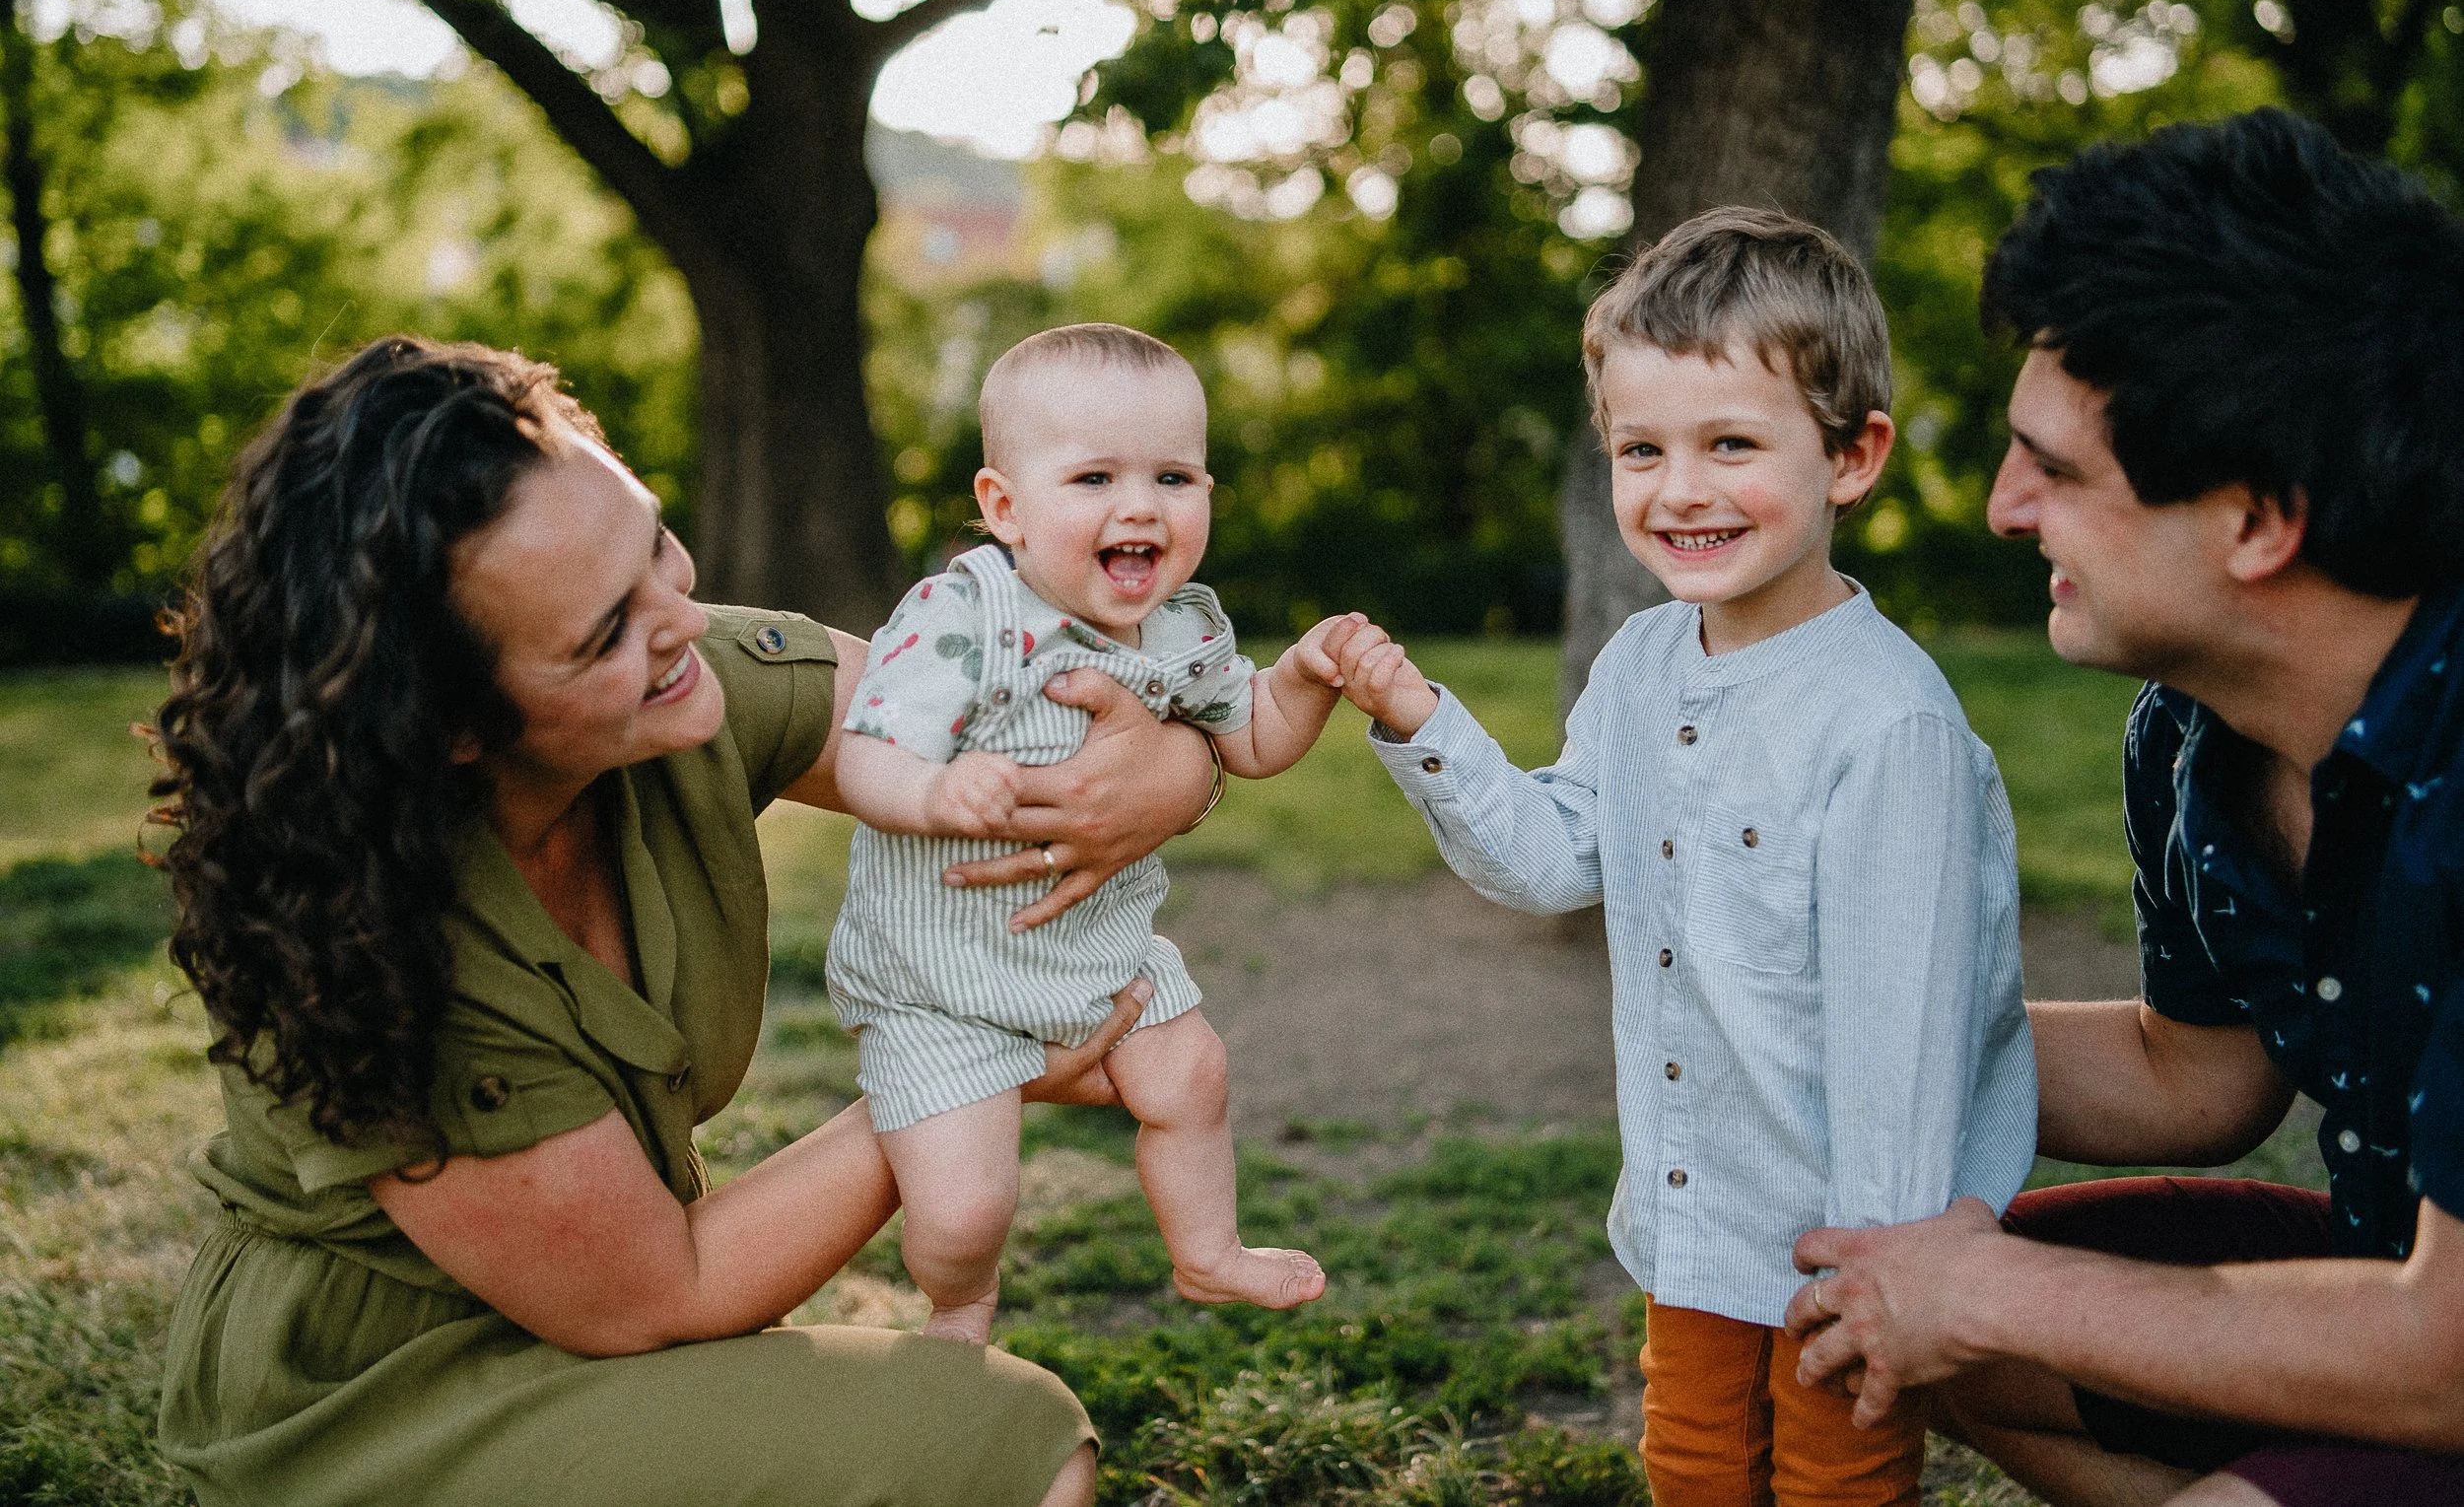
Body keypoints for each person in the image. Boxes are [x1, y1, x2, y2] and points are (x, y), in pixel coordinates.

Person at [149, 336, 1221, 1507]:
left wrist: (1175, 772)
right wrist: (971, 1066)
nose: (678, 616)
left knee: (991, 1435)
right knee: (1001, 1441)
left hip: (604, 1314)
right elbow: (662, 1291)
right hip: (382, 1391)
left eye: (654, 541)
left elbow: (1018, 734)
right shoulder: (390, 935)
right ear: (452, 722)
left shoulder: (679, 681)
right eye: (603, 631)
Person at [1783, 109, 2464, 1507]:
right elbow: (2197, 1074)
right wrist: (1803, 1005)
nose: (2000, 505)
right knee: (1899, 1307)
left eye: (2060, 469)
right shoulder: (2198, 733)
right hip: (2406, 1280)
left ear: (2260, 518)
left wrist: (1994, 1290)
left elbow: (2449, 1348)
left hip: (2443, 1335)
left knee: (1980, 1295)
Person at [1324, 208, 2038, 1507]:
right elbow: (1552, 859)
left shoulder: (1889, 725)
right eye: (1640, 448)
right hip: (1695, 1212)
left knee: (1836, 1481)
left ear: (1854, 456)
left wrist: (1885, 1265)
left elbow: (1904, 1036)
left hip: (1845, 1241)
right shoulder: (1642, 664)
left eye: (1730, 444)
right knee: (1695, 1464)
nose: (1679, 487)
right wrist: (1421, 717)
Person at [828, 323, 1345, 1343]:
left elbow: (1254, 737)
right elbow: (865, 754)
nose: (1141, 503)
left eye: (1174, 475)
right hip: (945, 982)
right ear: (1004, 507)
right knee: (965, 1210)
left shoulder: (1184, 630)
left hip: (1098, 958)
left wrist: (1309, 677)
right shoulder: (962, 614)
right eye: (1095, 475)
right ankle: (961, 1297)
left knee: (1193, 1074)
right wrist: (933, 793)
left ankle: (1206, 1251)